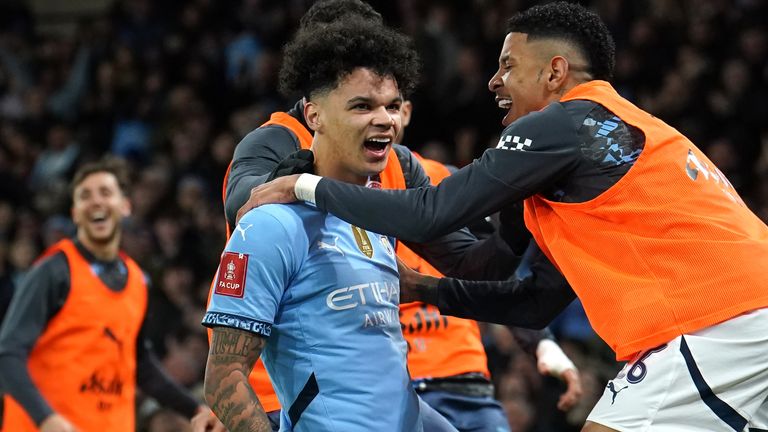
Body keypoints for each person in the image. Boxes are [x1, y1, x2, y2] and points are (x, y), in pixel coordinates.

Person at [239, 2, 768, 431]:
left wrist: (306, 185)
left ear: (554, 72)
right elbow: (530, 297)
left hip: (718, 326)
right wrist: (426, 290)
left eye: (509, 66)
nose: (494, 81)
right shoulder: (598, 151)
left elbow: (432, 214)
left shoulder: (566, 121)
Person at [217, 1, 581, 431]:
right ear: (315, 92)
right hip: (279, 391)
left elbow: (473, 264)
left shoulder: (399, 166)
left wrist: (520, 213)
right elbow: (249, 205)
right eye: (356, 87)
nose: (382, 115)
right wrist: (307, 181)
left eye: (388, 96)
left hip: (392, 390)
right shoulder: (273, 146)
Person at [202, 17, 457, 432]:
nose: (385, 120)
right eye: (362, 106)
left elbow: (386, 384)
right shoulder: (271, 224)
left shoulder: (376, 217)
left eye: (392, 106)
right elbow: (223, 378)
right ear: (314, 115)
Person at [0, 159, 223, 432]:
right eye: (85, 195)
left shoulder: (137, 281)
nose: (96, 202)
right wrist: (47, 418)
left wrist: (194, 409)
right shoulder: (53, 272)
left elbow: (140, 364)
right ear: (75, 212)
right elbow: (8, 354)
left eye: (105, 193)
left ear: (125, 206)